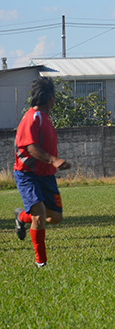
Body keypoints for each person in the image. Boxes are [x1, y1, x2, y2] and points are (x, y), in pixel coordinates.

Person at [12, 76, 71, 267]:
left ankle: (21, 216)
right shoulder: (32, 117)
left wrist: (53, 163)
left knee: (55, 217)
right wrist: (54, 160)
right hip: (28, 175)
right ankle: (41, 263)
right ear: (51, 97)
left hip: (46, 175)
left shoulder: (45, 118)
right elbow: (30, 147)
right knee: (39, 216)